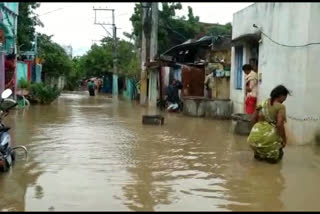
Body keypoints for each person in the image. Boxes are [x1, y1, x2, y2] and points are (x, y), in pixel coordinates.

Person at [247, 85, 291, 164]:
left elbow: (253, 118)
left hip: (252, 140)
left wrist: (254, 132)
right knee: (275, 161)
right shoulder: (281, 107)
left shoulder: (263, 102)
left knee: (258, 160)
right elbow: (279, 125)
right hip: (269, 139)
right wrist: (284, 140)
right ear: (281, 95)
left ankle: (259, 156)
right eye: (285, 97)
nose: (285, 99)